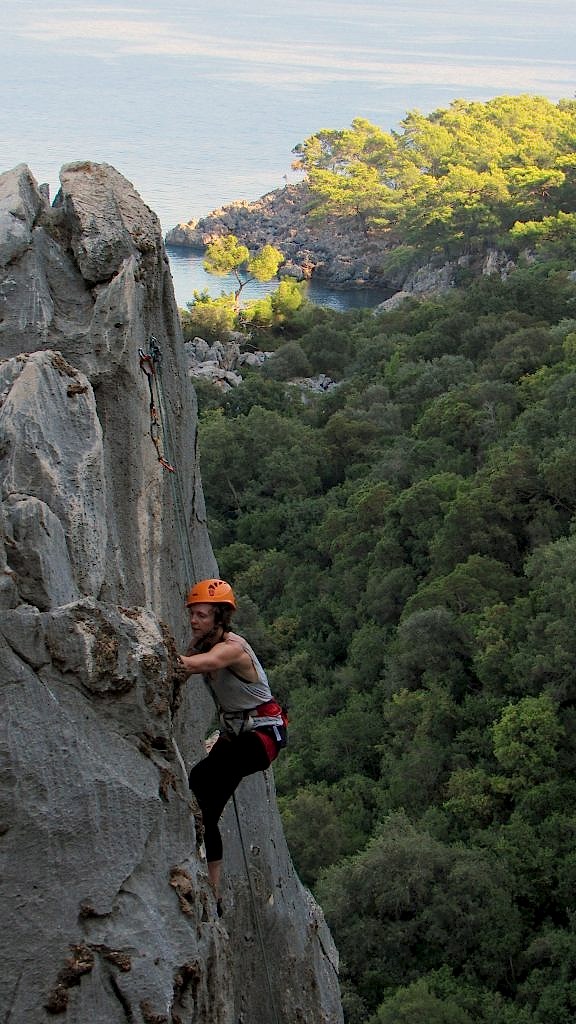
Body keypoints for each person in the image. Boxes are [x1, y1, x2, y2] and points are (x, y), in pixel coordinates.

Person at [178, 578, 286, 913]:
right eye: (193, 614)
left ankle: (211, 885)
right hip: (238, 735)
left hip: (261, 738)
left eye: (203, 616)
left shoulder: (232, 648)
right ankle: (215, 892)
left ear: (220, 619)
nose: (195, 621)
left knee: (203, 781)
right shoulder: (205, 645)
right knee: (203, 801)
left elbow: (201, 665)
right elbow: (193, 661)